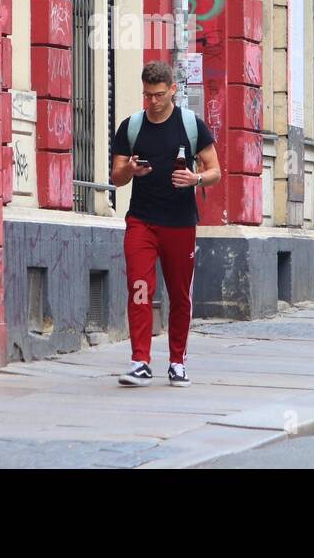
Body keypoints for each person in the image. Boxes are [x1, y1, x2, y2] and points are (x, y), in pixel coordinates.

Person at [109, 61, 220, 388]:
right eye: (147, 95)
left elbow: (215, 170)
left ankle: (177, 362)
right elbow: (116, 178)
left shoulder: (190, 125)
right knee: (140, 289)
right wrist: (131, 169)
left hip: (180, 224)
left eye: (158, 95)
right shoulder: (132, 127)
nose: (152, 101)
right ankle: (140, 361)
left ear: (172, 89)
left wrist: (195, 178)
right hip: (142, 221)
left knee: (179, 295)